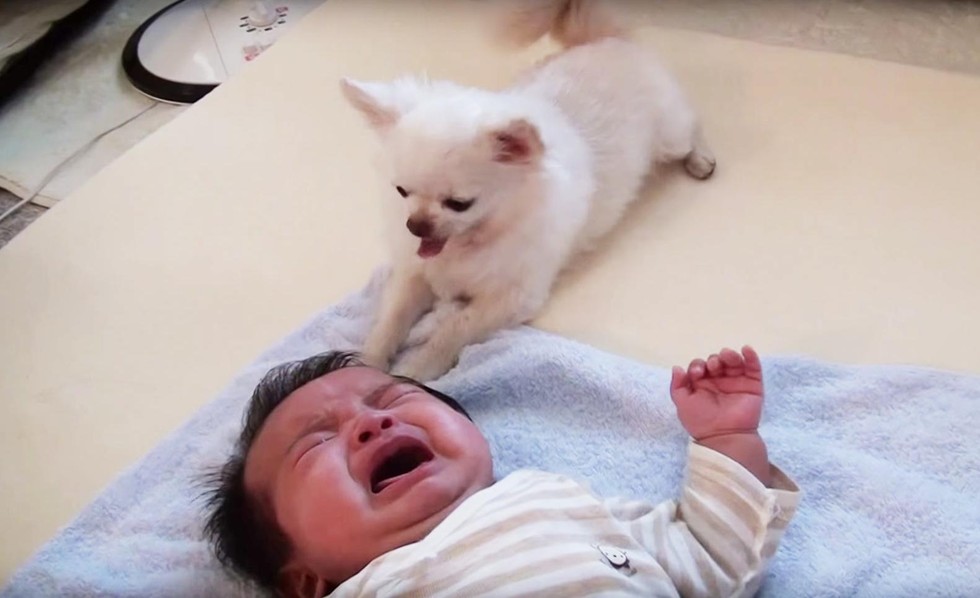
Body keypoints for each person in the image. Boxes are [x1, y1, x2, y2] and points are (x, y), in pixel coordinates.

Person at [204, 346, 799, 597]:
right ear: (305, 583)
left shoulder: (557, 504)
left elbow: (712, 557)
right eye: (316, 446)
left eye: (389, 402)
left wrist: (727, 438)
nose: (368, 426)